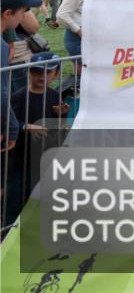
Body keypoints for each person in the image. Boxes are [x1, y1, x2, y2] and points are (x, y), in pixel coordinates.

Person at [5, 52, 68, 222]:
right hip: (21, 158)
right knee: (16, 199)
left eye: (47, 72)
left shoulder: (54, 95)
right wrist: (27, 126)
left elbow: (55, 126)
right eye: (36, 72)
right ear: (28, 72)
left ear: (56, 73)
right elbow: (9, 123)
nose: (41, 76)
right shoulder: (18, 97)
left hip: (44, 157)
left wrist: (62, 115)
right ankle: (8, 229)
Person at [1, 0, 41, 153]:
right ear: (8, 13)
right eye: (22, 11)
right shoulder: (1, 47)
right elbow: (1, 93)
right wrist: (12, 128)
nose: (24, 16)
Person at [56, 0, 84, 77]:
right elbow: (62, 15)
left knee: (82, 70)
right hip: (77, 36)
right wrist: (78, 31)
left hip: (79, 34)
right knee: (81, 72)